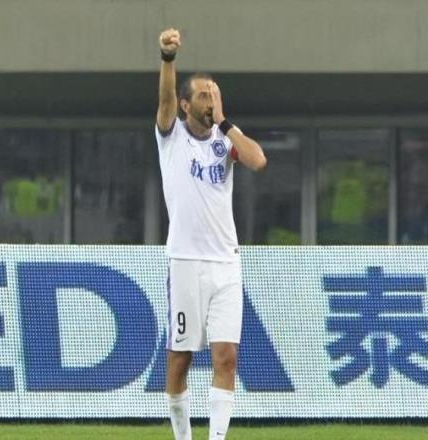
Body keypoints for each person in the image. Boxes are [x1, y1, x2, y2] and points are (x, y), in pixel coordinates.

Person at [156, 28, 267, 440]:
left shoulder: (225, 139)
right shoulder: (171, 136)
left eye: (214, 95)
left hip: (226, 263)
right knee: (179, 359)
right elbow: (164, 101)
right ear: (186, 104)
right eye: (204, 95)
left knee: (227, 357)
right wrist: (168, 59)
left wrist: (225, 121)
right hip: (186, 261)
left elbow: (258, 160)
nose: (210, 101)